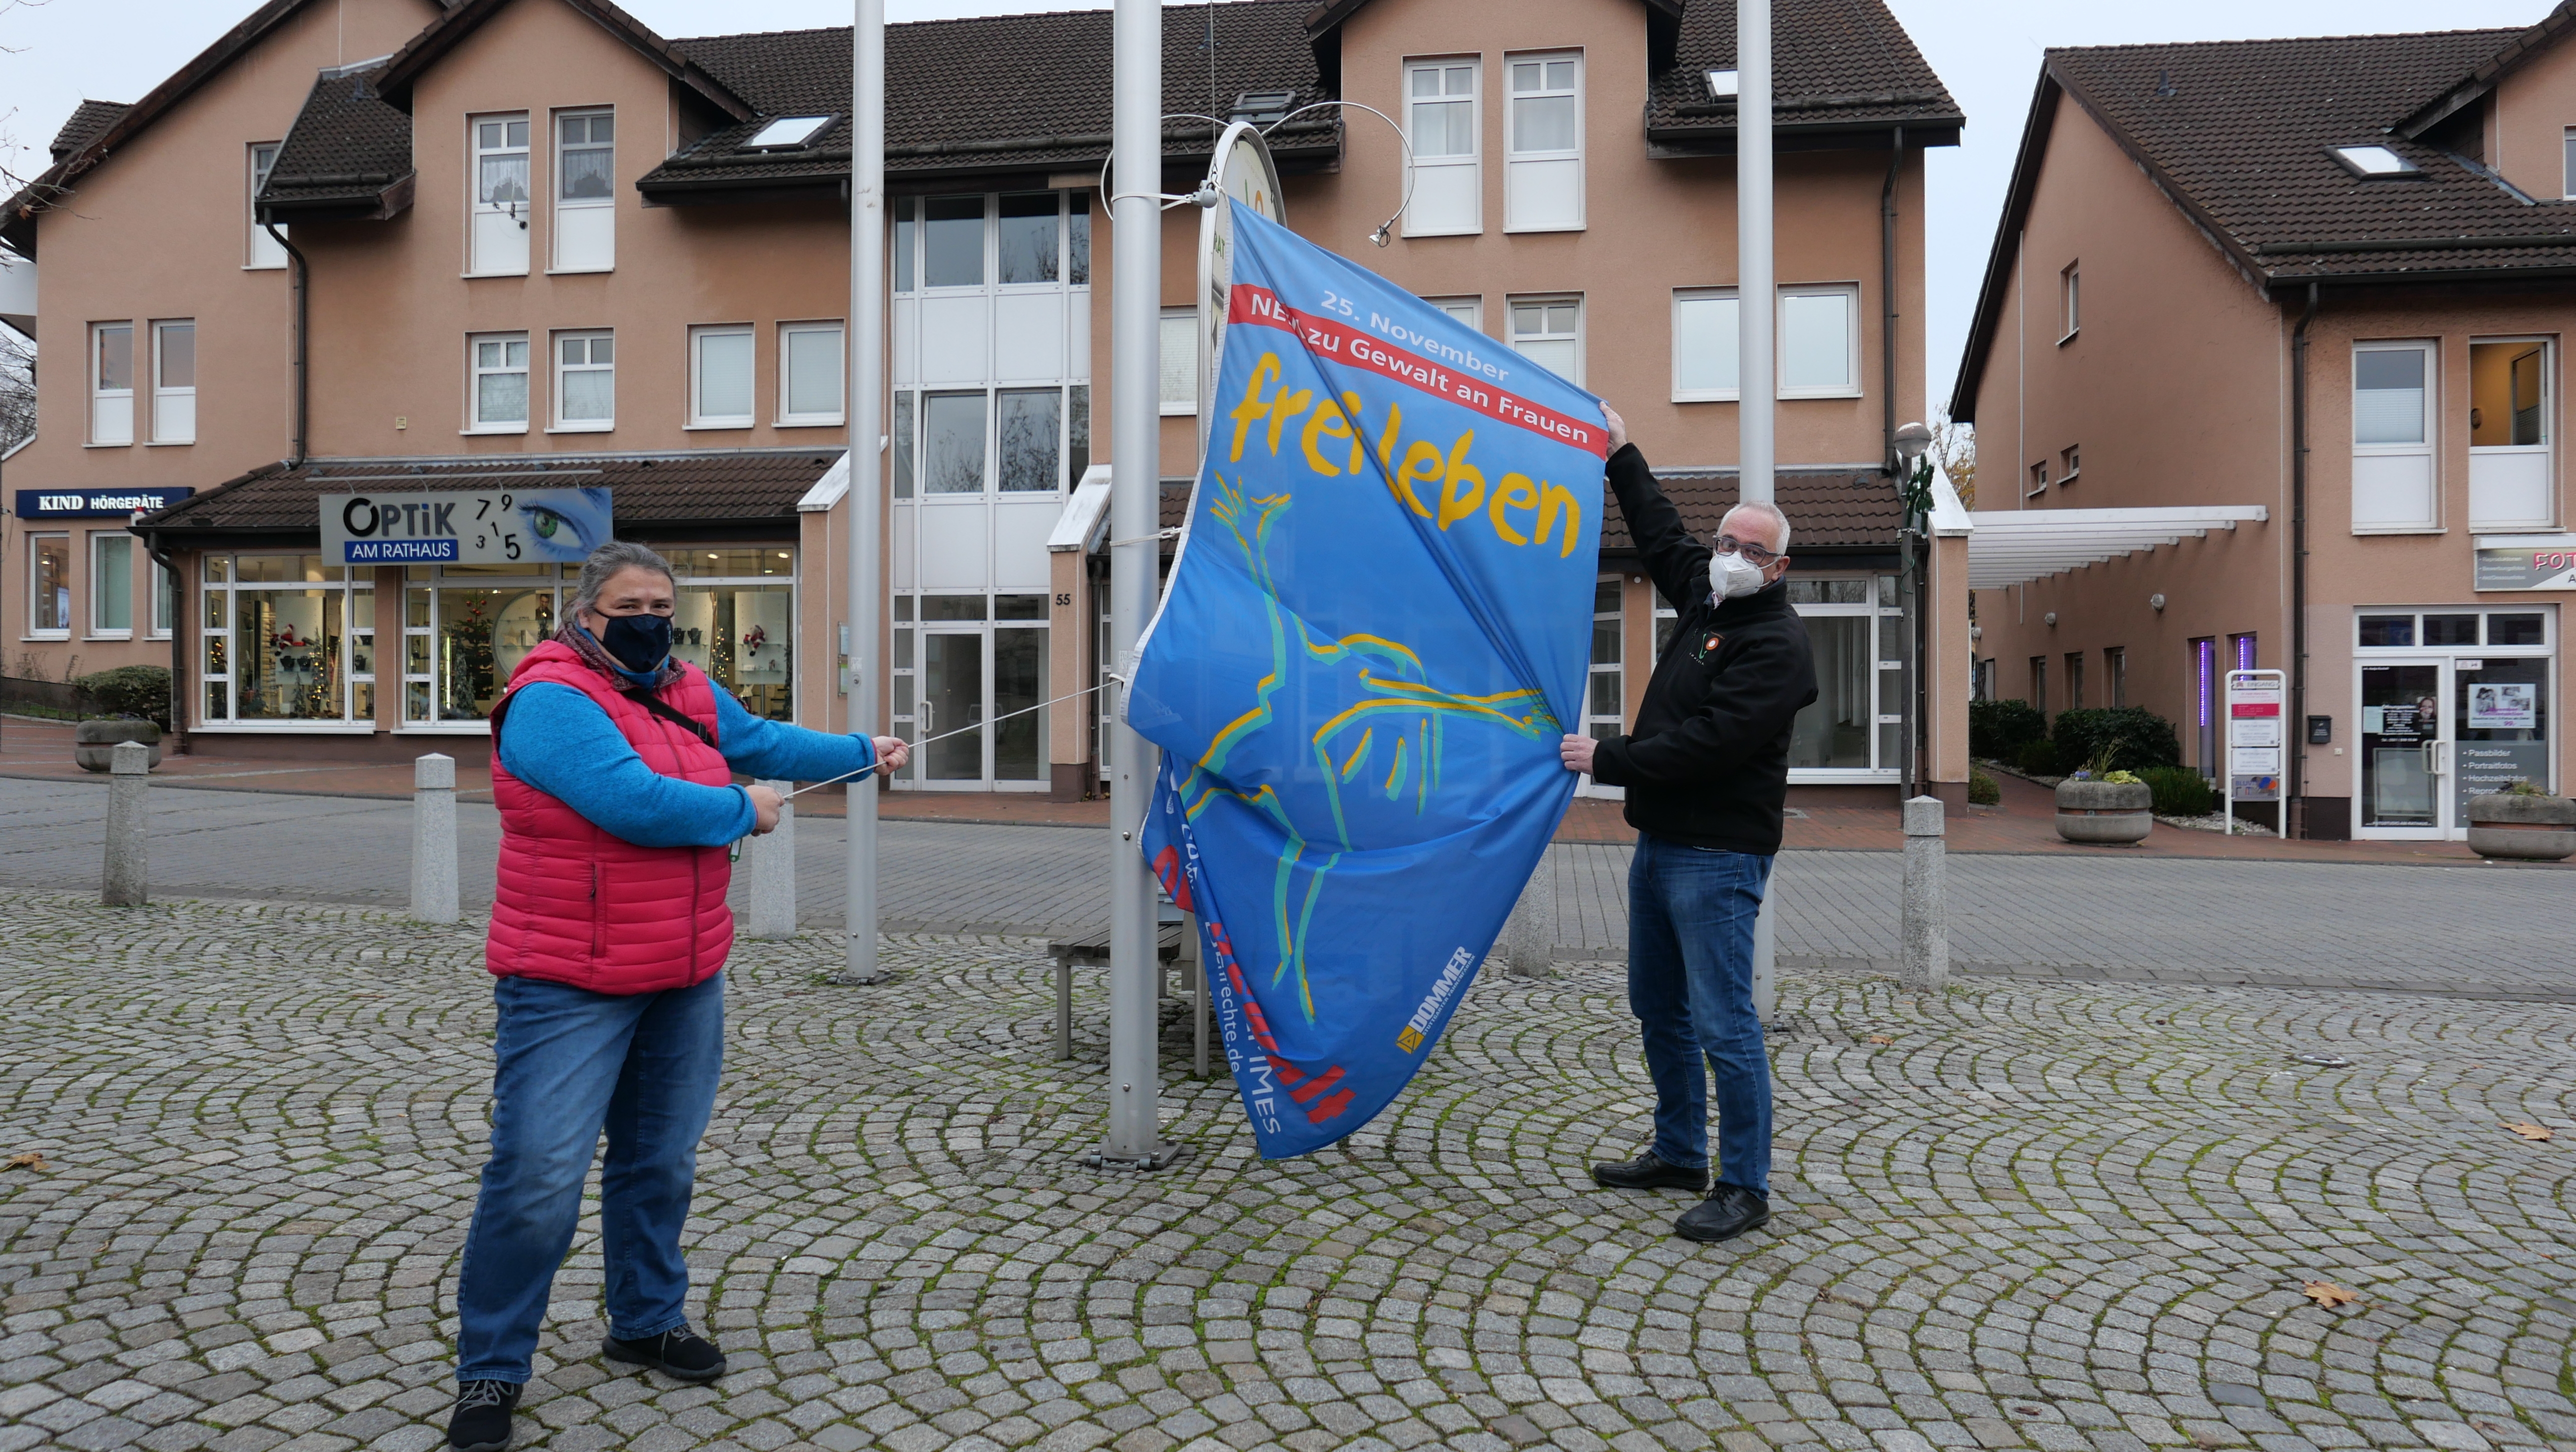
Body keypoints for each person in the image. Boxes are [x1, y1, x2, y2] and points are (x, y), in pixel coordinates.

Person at [444, 540, 909, 1452]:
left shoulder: (686, 688)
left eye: (662, 603)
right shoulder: (548, 701)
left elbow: (764, 742)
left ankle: (645, 1320)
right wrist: (747, 810)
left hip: (685, 971)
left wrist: (862, 752)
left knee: (660, 1163)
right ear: (583, 614)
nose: (650, 619)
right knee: (537, 1179)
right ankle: (491, 1369)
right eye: (631, 605)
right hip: (566, 985)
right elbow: (636, 804)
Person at [1558, 405, 1817, 1244]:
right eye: (1727, 544)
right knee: (1656, 1006)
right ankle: (1677, 1150)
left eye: (1753, 551)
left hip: (1718, 859)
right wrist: (1621, 450)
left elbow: (1708, 747)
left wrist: (1606, 758)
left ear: (1780, 567)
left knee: (1723, 1023)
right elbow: (1660, 530)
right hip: (1661, 844)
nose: (1734, 558)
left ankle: (1743, 1185)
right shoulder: (1707, 602)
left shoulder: (1776, 647)